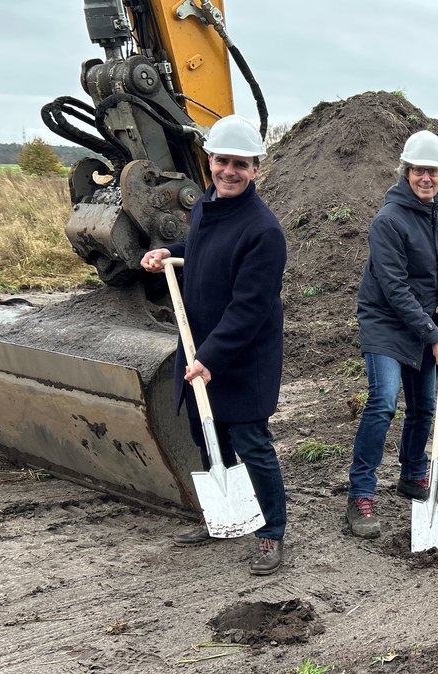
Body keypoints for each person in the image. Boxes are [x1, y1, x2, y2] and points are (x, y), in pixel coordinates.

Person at [140, 114, 289, 575]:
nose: (229, 171)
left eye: (240, 164)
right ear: (209, 162)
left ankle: (271, 532)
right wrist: (172, 251)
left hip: (242, 356)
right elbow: (202, 244)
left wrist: (210, 358)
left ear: (256, 170)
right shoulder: (205, 206)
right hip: (200, 343)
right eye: (222, 161)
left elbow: (249, 309)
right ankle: (224, 515)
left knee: (251, 440)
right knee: (208, 435)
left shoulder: (264, 231)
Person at [346, 130, 438, 539]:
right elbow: (395, 288)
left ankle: (412, 473)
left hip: (424, 321)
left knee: (425, 406)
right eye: (419, 170)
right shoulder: (388, 220)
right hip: (386, 321)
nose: (426, 178)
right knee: (383, 402)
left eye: (433, 171)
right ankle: (360, 494)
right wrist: (434, 334)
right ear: (406, 171)